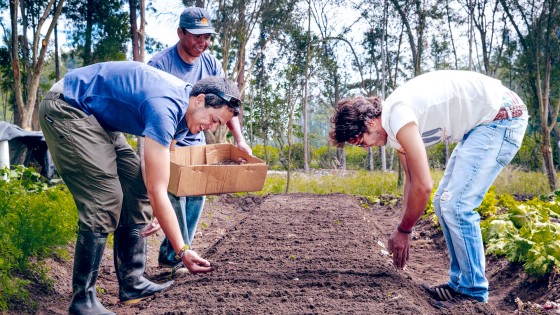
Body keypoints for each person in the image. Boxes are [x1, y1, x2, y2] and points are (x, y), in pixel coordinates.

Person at [38, 61, 241, 314]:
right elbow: (158, 190)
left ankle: (132, 282)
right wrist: (183, 250)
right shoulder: (165, 107)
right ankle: (83, 299)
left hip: (100, 118)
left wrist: (156, 203)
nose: (210, 129)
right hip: (68, 106)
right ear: (200, 100)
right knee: (105, 196)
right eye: (213, 120)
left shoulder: (184, 112)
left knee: (136, 188)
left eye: (217, 125)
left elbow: (155, 167)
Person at [329, 70, 528, 309]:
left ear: (369, 122)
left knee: (457, 205)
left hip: (502, 118)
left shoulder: (398, 115)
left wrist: (405, 229)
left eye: (359, 141)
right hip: (484, 124)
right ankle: (459, 284)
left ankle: (474, 293)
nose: (363, 148)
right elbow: (412, 181)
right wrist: (401, 224)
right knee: (443, 203)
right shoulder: (394, 132)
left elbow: (424, 186)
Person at [145, 6, 252, 273]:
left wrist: (240, 139)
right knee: (174, 194)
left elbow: (227, 106)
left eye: (207, 37)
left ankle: (176, 252)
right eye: (196, 36)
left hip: (195, 137)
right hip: (166, 135)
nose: (202, 43)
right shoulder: (161, 63)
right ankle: (177, 255)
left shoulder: (211, 64)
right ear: (180, 32)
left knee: (196, 196)